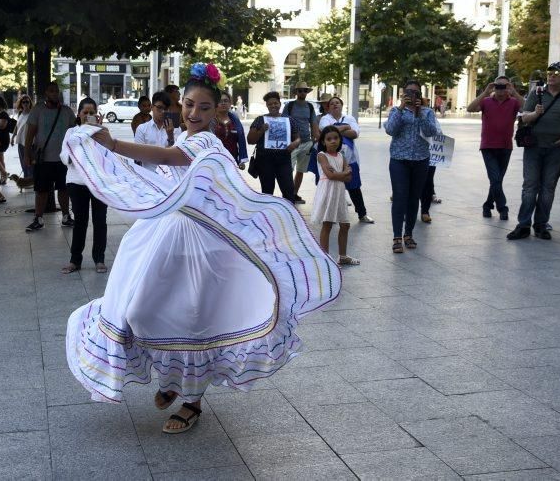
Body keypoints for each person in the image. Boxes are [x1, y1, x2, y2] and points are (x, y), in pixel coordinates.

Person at [64, 62, 340, 434]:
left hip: (201, 245)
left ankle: (191, 400)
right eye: (189, 105)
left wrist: (113, 145)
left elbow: (173, 160)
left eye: (203, 107)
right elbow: (173, 166)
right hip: (167, 238)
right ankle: (173, 381)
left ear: (218, 109)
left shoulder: (205, 141)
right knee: (145, 309)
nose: (194, 113)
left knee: (194, 319)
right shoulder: (183, 134)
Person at [508, 62, 560, 241]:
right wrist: (535, 113)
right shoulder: (537, 93)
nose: (552, 75)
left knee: (548, 188)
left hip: (556, 148)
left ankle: (541, 225)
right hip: (533, 147)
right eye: (550, 72)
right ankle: (523, 225)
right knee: (529, 187)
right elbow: (524, 117)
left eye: (557, 73)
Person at [385, 80, 440, 253]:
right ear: (403, 94)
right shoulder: (396, 111)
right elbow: (391, 130)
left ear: (420, 95)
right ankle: (396, 237)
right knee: (400, 197)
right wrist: (401, 108)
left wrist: (420, 113)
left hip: (421, 160)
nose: (411, 95)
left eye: (415, 92)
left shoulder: (428, 112)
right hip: (399, 160)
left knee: (414, 197)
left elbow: (432, 132)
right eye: (408, 92)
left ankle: (408, 234)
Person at [60, 98, 108, 274]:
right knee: (80, 221)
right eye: (85, 112)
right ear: (78, 114)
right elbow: (64, 155)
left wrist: (98, 131)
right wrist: (74, 154)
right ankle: (75, 260)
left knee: (100, 220)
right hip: (77, 182)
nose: (88, 116)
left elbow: (106, 155)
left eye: (92, 113)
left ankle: (99, 259)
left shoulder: (102, 132)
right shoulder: (71, 132)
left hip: (98, 183)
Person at [466, 76, 524, 220]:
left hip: (505, 146)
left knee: (496, 180)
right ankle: (503, 208)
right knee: (496, 179)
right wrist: (485, 92)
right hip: (488, 146)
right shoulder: (486, 101)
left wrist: (514, 92)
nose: (501, 89)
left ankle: (487, 205)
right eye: (498, 86)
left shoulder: (513, 102)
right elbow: (470, 108)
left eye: (504, 86)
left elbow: (527, 107)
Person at [24, 81, 76, 232]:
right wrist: (27, 154)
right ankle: (38, 218)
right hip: (43, 158)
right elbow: (30, 134)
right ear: (46, 93)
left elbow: (74, 133)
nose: (54, 93)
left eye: (56, 91)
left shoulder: (67, 111)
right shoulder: (38, 110)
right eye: (51, 91)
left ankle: (66, 216)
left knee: (64, 189)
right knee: (41, 190)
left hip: (63, 159)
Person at [318, 97, 374, 223]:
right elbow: (326, 132)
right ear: (328, 107)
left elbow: (355, 134)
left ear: (342, 105)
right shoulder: (325, 119)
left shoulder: (350, 118)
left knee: (354, 187)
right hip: (330, 159)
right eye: (331, 103)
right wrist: (346, 128)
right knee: (330, 187)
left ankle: (362, 214)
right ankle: (328, 215)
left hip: (349, 159)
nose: (334, 105)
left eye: (337, 102)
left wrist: (335, 130)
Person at [312, 126, 359, 265]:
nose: (333, 141)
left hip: (339, 192)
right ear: (323, 141)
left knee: (345, 224)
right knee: (328, 224)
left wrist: (341, 174)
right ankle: (325, 258)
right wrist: (343, 173)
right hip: (328, 191)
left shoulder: (341, 156)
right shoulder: (321, 155)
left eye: (336, 138)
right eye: (329, 139)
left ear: (340, 139)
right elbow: (330, 175)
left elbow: (349, 178)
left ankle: (343, 256)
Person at [247, 91, 300, 201]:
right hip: (265, 161)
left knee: (288, 190)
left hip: (283, 159)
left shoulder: (289, 120)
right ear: (266, 105)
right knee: (267, 191)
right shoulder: (260, 120)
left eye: (275, 103)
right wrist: (261, 130)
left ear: (280, 104)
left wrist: (294, 144)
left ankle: (289, 215)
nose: (273, 106)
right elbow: (250, 140)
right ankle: (268, 216)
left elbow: (298, 138)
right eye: (270, 104)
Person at [281, 82, 317, 204]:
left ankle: (294, 194)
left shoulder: (310, 107)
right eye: (300, 90)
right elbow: (284, 122)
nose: (302, 93)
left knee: (301, 170)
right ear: (296, 92)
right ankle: (288, 194)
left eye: (305, 90)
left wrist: (314, 140)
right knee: (288, 170)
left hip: (307, 143)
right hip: (292, 143)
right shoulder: (289, 106)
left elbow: (313, 124)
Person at [134, 91, 177, 172]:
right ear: (152, 107)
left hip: (170, 177)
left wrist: (170, 137)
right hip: (149, 175)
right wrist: (164, 155)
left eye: (166, 108)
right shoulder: (142, 129)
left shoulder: (175, 129)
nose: (163, 111)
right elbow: (138, 155)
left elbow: (176, 156)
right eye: (159, 107)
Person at [211, 90, 247, 169]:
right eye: (220, 101)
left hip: (231, 160)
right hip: (213, 160)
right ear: (216, 103)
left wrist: (241, 160)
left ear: (230, 103)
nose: (223, 103)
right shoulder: (210, 120)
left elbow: (241, 140)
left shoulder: (235, 120)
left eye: (226, 101)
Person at [12, 94, 33, 178]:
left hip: (29, 141)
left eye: (27, 102)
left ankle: (31, 179)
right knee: (23, 161)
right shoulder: (20, 113)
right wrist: (13, 137)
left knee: (29, 161)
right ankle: (26, 177)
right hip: (20, 140)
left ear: (30, 103)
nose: (25, 103)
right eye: (23, 102)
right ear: (21, 103)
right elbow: (17, 126)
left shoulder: (32, 113)